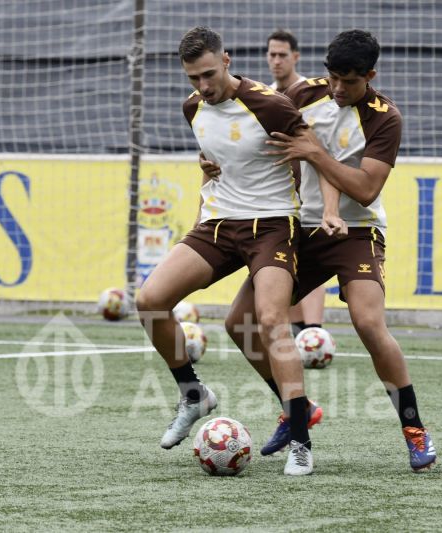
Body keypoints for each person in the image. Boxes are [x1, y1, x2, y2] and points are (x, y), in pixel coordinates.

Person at [212, 29, 437, 472]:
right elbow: (259, 136)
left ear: (369, 75)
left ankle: (414, 430)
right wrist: (219, 160)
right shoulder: (303, 93)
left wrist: (314, 154)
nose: (336, 89)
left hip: (356, 231)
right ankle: (295, 408)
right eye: (332, 77)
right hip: (297, 228)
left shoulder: (384, 117)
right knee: (239, 323)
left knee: (369, 323)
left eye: (348, 81)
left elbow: (366, 188)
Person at [135, 26, 315, 476]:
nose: (202, 86)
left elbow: (315, 153)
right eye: (193, 77)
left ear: (227, 61)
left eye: (209, 74)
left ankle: (301, 439)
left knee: (266, 320)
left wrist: (325, 213)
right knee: (149, 300)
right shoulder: (193, 107)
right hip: (218, 225)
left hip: (272, 225)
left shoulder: (270, 105)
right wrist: (205, 175)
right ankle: (194, 394)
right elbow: (216, 158)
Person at [265, 29, 327, 336]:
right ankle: (298, 330)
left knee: (311, 260)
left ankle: (314, 332)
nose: (276, 61)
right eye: (272, 55)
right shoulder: (263, 96)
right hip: (278, 194)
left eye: (282, 55)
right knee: (284, 264)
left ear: (295, 57)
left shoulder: (310, 95)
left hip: (312, 192)